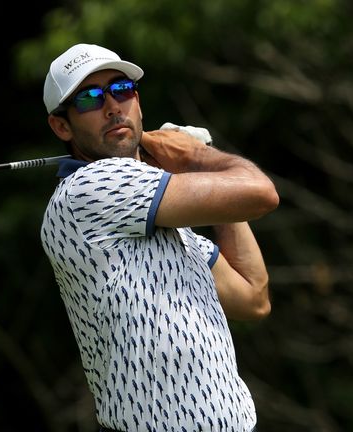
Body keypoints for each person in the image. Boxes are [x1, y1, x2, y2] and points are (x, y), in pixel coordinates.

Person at [39, 43, 279, 432]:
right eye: (89, 98)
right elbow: (262, 193)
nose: (113, 106)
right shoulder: (91, 187)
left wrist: (207, 180)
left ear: (138, 101)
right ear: (62, 126)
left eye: (122, 89)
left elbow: (253, 297)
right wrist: (195, 157)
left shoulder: (169, 228)